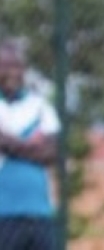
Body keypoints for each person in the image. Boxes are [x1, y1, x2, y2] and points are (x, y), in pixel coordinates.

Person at [0, 40, 60, 250]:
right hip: (3, 214)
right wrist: (31, 145)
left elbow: (51, 153)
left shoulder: (40, 106)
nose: (13, 72)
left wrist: (10, 142)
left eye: (17, 66)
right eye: (6, 66)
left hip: (40, 213)